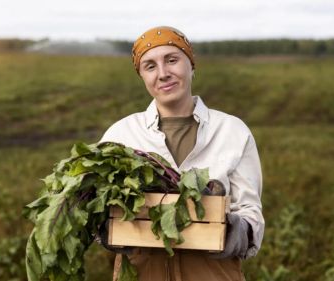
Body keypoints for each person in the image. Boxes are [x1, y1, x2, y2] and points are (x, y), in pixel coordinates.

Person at [99, 26, 264, 281]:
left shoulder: (232, 131)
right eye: (150, 66)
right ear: (142, 75)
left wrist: (229, 230)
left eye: (172, 60)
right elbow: (96, 207)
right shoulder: (121, 135)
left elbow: (250, 213)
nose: (163, 74)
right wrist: (107, 227)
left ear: (191, 64)